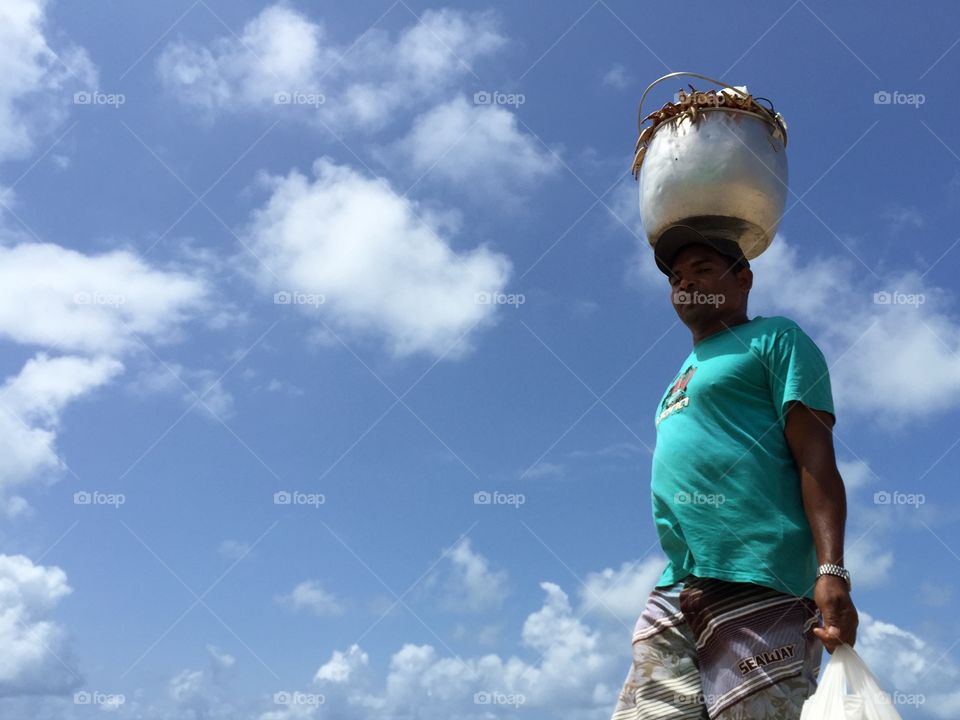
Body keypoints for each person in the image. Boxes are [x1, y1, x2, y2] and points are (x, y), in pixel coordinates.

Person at [610, 225, 858, 720]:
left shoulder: (776, 338)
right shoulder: (682, 373)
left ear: (743, 278)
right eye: (676, 277)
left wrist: (831, 571)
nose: (686, 284)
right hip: (678, 583)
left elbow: (817, 460)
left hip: (762, 578)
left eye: (702, 269)